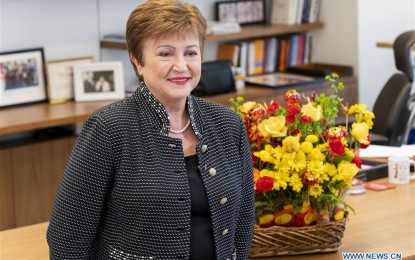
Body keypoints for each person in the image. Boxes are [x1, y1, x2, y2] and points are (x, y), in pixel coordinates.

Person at [46, 0, 255, 259]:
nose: (181, 65)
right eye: (165, 53)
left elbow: (244, 218)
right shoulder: (108, 128)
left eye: (191, 52)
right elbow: (68, 234)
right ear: (138, 61)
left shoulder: (227, 123)